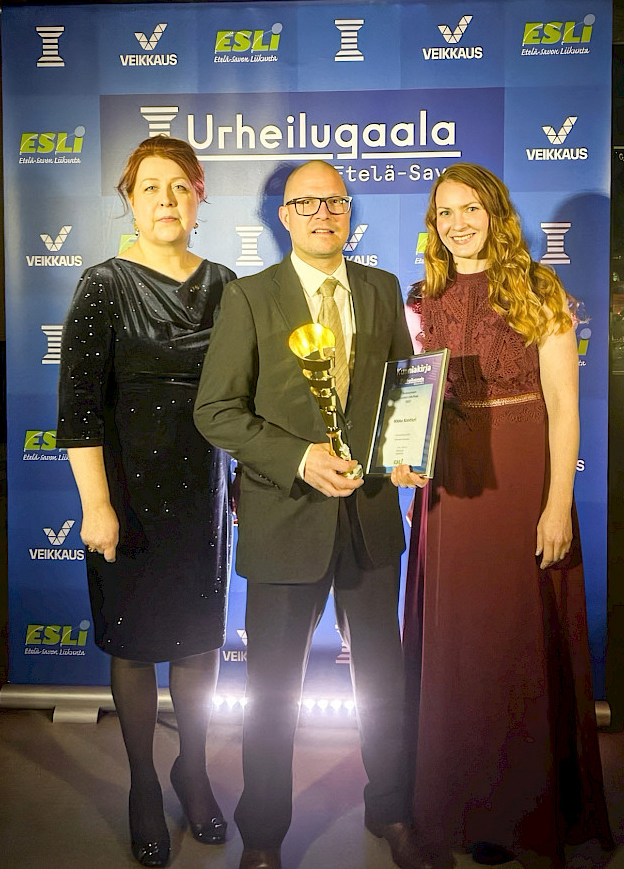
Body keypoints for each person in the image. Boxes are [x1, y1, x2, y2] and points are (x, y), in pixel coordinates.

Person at [194, 160, 426, 869]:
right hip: (285, 520)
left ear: (350, 213)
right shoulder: (250, 296)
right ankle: (264, 835)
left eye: (336, 201)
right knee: (271, 692)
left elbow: (401, 392)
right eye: (307, 203)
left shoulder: (382, 288)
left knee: (383, 683)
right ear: (284, 216)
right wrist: (298, 458)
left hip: (370, 521)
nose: (324, 213)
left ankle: (393, 811)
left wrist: (403, 453)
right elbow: (216, 410)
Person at [393, 163, 613, 869]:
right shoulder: (421, 298)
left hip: (522, 483)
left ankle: (525, 812)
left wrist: (557, 504)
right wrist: (402, 462)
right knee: (459, 651)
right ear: (433, 223)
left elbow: (566, 407)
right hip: (451, 492)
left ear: (496, 213)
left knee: (517, 644)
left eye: (470, 209)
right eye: (444, 212)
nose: (456, 223)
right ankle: (460, 808)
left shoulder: (539, 290)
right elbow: (413, 401)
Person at [56, 136, 235, 868]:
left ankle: (193, 769)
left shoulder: (226, 284)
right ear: (129, 200)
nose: (166, 200)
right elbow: (79, 409)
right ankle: (142, 785)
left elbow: (243, 397)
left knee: (198, 641)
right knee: (132, 645)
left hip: (202, 496)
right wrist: (96, 505)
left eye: (180, 186)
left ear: (199, 197)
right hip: (126, 496)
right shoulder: (102, 284)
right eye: (151, 187)